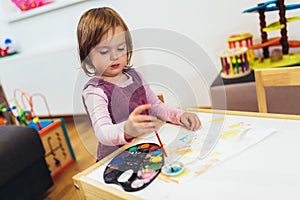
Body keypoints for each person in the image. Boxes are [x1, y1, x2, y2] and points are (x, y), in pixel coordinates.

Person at [77, 7, 201, 161]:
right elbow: (103, 133)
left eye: (120, 48)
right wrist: (127, 129)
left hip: (145, 148)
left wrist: (179, 116)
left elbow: (156, 107)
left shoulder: (135, 77)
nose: (115, 56)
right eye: (104, 52)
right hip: (116, 160)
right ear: (87, 57)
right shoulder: (95, 91)